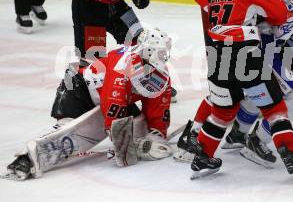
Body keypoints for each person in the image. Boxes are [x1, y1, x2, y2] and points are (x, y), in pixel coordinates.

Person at [187, 0, 293, 181]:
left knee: (222, 112)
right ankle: (290, 156)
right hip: (245, 54)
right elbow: (278, 16)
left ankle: (202, 158)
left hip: (217, 57)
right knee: (274, 108)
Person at [4, 28, 173, 181]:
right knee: (68, 130)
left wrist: (157, 134)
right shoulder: (120, 71)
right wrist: (127, 149)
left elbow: (158, 102)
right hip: (78, 89)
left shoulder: (155, 68)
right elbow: (113, 113)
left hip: (111, 97)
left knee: (139, 126)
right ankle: (26, 158)